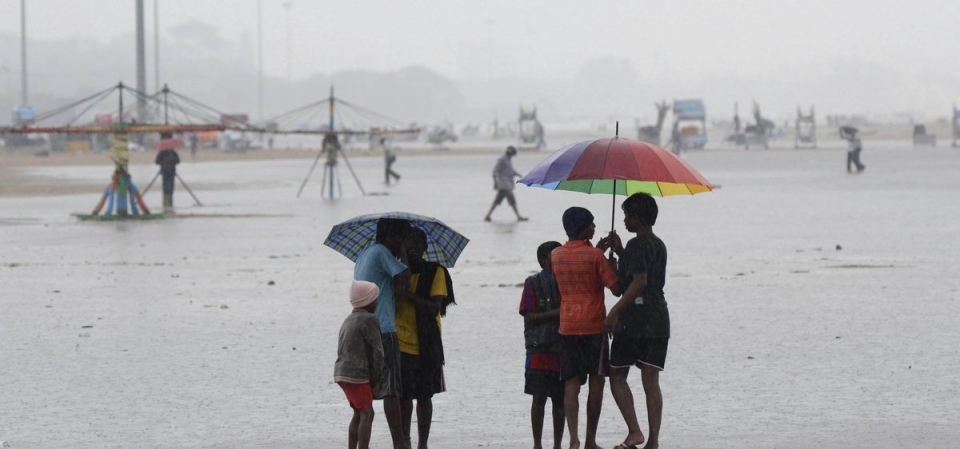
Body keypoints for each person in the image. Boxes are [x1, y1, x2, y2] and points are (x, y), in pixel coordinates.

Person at [601, 193, 670, 449]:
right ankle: (653, 441)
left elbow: (637, 283)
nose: (625, 221)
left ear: (637, 218)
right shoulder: (658, 244)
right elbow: (628, 282)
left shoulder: (636, 244)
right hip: (659, 316)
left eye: (627, 216)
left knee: (617, 374)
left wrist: (613, 313)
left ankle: (634, 431)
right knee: (651, 380)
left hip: (635, 319)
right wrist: (618, 255)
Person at [551, 207, 622, 449]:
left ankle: (573, 440)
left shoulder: (556, 255)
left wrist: (597, 252)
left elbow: (575, 269)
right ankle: (591, 440)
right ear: (582, 227)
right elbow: (616, 289)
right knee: (596, 383)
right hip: (594, 327)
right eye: (591, 224)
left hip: (567, 327)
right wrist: (611, 264)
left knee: (571, 383)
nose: (594, 227)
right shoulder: (595, 257)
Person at [354, 218, 414, 449]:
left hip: (363, 325)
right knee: (391, 388)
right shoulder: (381, 253)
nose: (403, 242)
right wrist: (404, 253)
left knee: (364, 388)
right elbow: (405, 281)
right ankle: (399, 443)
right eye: (401, 238)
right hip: (383, 327)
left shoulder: (365, 253)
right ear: (391, 237)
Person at [395, 227, 456, 449]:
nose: (411, 250)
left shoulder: (435, 272)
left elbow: (433, 308)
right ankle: (406, 441)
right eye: (406, 246)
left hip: (427, 342)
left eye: (415, 245)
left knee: (424, 396)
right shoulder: (395, 272)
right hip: (401, 342)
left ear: (424, 248)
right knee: (403, 398)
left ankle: (423, 443)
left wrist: (408, 295)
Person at [520, 241, 565, 449]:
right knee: (538, 399)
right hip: (539, 348)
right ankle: (537, 444)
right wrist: (555, 314)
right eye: (553, 256)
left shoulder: (566, 281)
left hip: (562, 348)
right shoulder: (532, 283)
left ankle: (557, 445)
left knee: (560, 399)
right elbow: (529, 317)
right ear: (543, 260)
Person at [334, 280, 385, 449]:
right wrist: (377, 379)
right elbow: (378, 352)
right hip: (357, 375)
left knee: (358, 412)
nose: (377, 302)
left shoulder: (348, 319)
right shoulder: (369, 319)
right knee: (367, 413)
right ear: (368, 301)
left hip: (341, 373)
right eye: (375, 298)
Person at [484, 146, 528, 222]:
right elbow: (495, 171)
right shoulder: (501, 160)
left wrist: (518, 174)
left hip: (506, 185)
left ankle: (488, 216)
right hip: (504, 185)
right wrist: (495, 183)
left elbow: (511, 171)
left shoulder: (508, 160)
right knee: (512, 201)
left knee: (497, 201)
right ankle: (518, 216)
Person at [155, 139, 180, 209]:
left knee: (171, 187)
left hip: (172, 172)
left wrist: (172, 161)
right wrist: (164, 162)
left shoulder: (174, 153)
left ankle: (170, 202)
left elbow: (178, 161)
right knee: (165, 187)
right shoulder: (162, 153)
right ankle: (165, 202)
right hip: (164, 172)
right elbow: (157, 161)